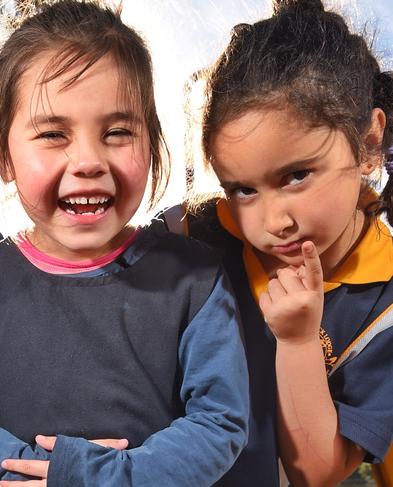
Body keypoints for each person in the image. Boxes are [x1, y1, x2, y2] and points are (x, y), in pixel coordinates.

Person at [0, 1, 249, 486]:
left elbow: (220, 421)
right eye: (53, 133)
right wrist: (32, 473)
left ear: (153, 143)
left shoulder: (195, 278)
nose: (89, 160)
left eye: (117, 132)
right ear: (2, 153)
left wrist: (113, 477)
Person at [164, 0, 393, 484]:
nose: (272, 221)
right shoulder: (190, 233)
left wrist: (298, 342)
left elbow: (317, 472)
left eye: (296, 176)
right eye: (242, 189)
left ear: (369, 143)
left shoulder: (386, 307)